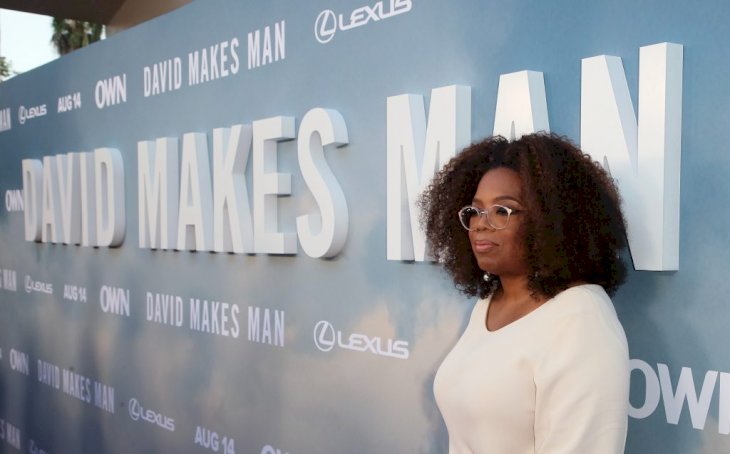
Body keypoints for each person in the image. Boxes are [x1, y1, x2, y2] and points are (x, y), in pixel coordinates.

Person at [422, 133, 630, 453]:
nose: (480, 224)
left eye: (503, 211)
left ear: (551, 220)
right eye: (475, 211)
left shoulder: (581, 320)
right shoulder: (488, 304)